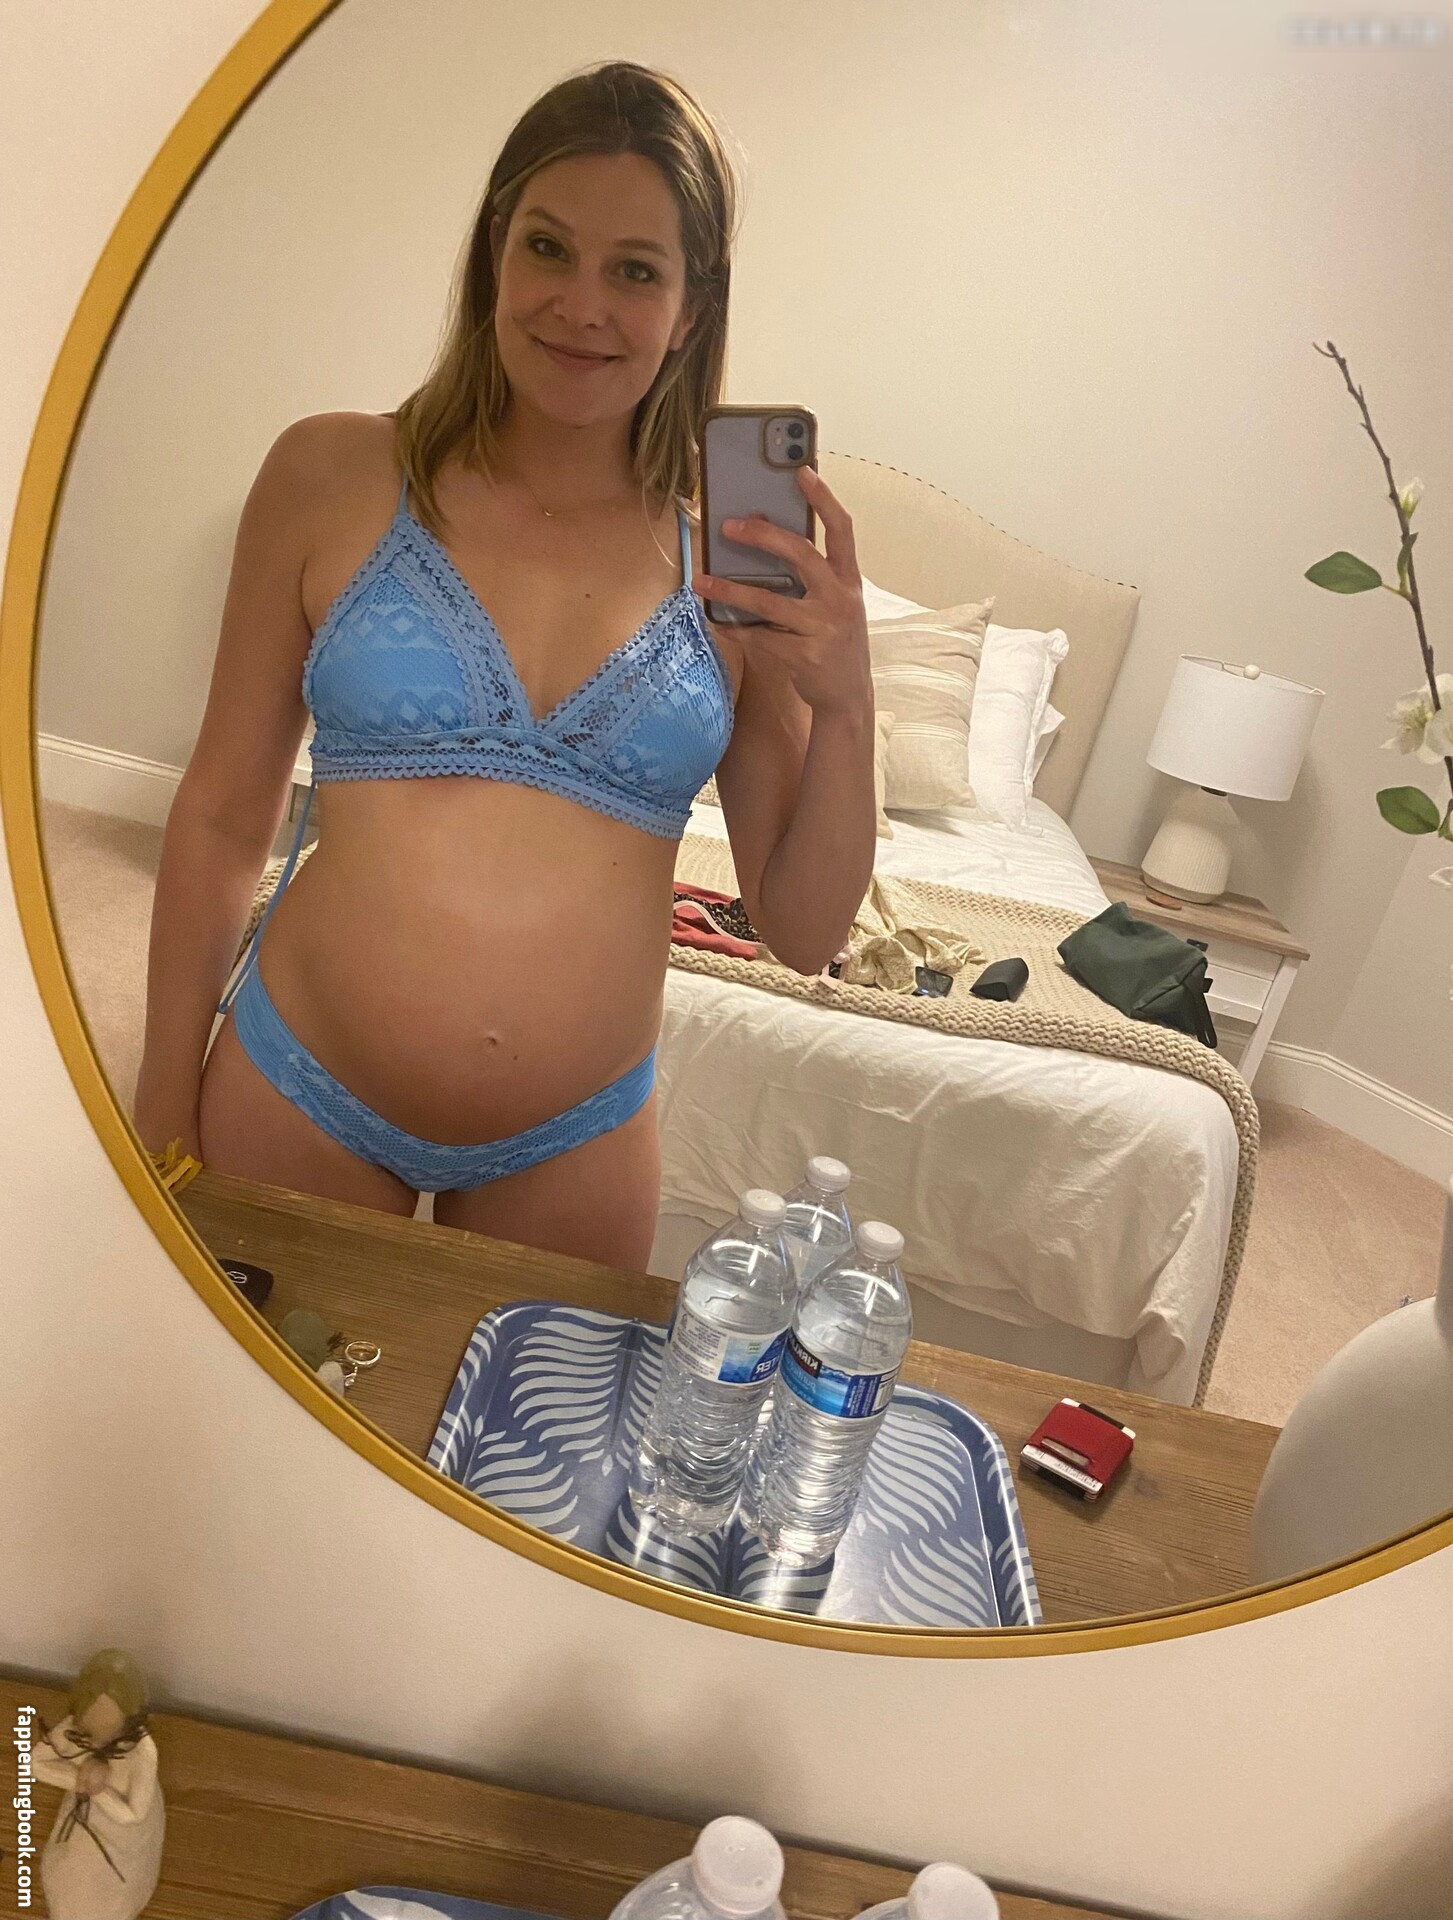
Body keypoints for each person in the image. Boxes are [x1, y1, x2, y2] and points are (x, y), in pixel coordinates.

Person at [133, 59, 877, 1268]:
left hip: (575, 1142)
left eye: (634, 271)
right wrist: (162, 1097)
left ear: (692, 310)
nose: (581, 306)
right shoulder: (328, 476)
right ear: (494, 253)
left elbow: (801, 929)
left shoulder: (732, 567)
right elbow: (222, 814)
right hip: (299, 1085)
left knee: (536, 1409)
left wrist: (845, 705)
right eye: (547, 248)